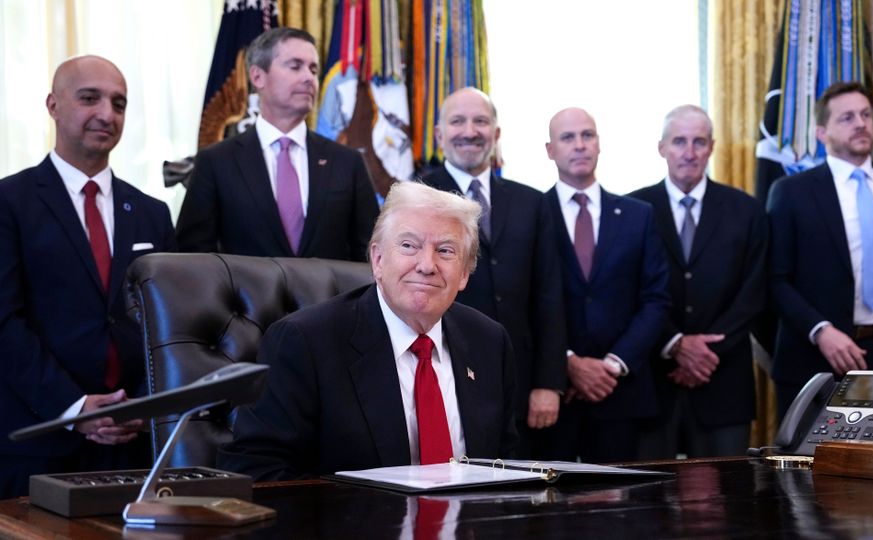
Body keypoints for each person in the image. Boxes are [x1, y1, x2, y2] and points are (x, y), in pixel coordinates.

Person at [218, 181, 518, 480]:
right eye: (408, 246)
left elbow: (505, 466)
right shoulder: (304, 342)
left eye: (445, 250)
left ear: (464, 273)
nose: (427, 265)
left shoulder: (489, 341)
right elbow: (257, 471)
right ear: (378, 260)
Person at [0, 55, 176, 497]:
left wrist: (143, 404)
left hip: (136, 446)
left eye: (119, 103)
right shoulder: (10, 203)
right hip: (39, 442)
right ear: (53, 106)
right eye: (89, 98)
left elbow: (171, 325)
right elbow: (4, 323)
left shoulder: (153, 214)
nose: (106, 114)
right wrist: (74, 408)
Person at [768, 81, 873, 418]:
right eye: (847, 118)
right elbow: (775, 279)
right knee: (815, 454)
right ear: (822, 132)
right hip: (818, 359)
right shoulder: (791, 192)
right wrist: (820, 331)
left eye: (866, 115)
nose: (860, 124)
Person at [420, 87, 566, 457]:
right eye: (458, 121)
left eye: (481, 121)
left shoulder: (532, 202)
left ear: (496, 133)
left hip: (523, 384)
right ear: (439, 134)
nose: (470, 131)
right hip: (443, 374)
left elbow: (549, 297)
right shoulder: (416, 198)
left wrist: (549, 383)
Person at [629, 105, 768, 458]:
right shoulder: (632, 209)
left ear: (711, 147)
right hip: (654, 384)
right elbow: (627, 291)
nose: (689, 153)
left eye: (699, 142)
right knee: (650, 490)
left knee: (726, 491)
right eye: (679, 142)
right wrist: (675, 344)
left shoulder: (747, 210)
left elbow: (754, 292)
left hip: (724, 383)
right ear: (661, 147)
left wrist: (705, 354)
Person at [537, 107, 670, 463]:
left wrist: (612, 365)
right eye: (568, 137)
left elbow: (656, 300)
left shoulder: (638, 215)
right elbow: (525, 301)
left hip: (621, 392)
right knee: (550, 497)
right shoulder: (532, 214)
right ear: (550, 150)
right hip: (555, 394)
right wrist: (569, 363)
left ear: (599, 143)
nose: (580, 145)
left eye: (588, 135)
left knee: (621, 497)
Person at [176, 27, 379, 260]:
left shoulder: (348, 162)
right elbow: (193, 259)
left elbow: (371, 255)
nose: (309, 78)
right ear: (257, 77)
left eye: (313, 69)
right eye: (295, 66)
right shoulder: (216, 162)